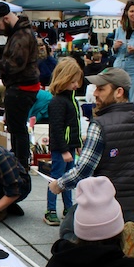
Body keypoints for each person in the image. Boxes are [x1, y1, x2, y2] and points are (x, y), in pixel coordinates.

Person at [50, 67, 134, 236]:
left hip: (102, 207)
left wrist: (59, 184)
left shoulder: (100, 125)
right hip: (132, 210)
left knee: (68, 231)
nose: (95, 93)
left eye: (101, 89)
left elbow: (83, 171)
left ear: (119, 92)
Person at [0, 2, 40, 169]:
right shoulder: (19, 33)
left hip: (22, 87)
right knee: (15, 126)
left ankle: (21, 164)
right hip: (22, 86)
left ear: (6, 18)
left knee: (17, 128)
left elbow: (13, 65)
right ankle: (19, 161)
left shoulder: (21, 35)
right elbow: (14, 53)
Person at [44, 58, 82, 227]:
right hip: (62, 149)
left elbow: (74, 125)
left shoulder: (70, 99)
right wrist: (64, 150)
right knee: (56, 178)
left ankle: (68, 207)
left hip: (70, 146)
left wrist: (77, 142)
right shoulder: (58, 101)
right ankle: (50, 209)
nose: (76, 85)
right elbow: (57, 129)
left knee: (70, 178)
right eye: (72, 81)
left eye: (77, 81)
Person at [112, 0, 134, 114]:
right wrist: (115, 47)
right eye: (132, 11)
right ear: (126, 12)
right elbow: (114, 53)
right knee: (117, 98)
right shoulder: (119, 29)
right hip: (119, 67)